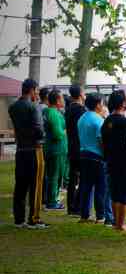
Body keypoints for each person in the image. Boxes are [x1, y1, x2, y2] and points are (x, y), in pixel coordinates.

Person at [9, 78, 47, 229]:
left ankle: (19, 219)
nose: (37, 94)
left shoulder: (13, 107)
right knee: (36, 186)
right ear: (31, 90)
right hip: (34, 149)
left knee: (20, 185)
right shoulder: (33, 107)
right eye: (37, 91)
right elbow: (39, 130)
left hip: (20, 149)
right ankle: (34, 218)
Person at [100, 90, 126, 231]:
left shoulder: (106, 121)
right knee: (125, 192)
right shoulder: (125, 122)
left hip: (110, 160)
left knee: (114, 192)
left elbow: (102, 142)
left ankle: (115, 223)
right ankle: (120, 224)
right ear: (122, 103)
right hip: (125, 161)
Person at [77, 93, 112, 224]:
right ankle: (100, 215)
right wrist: (106, 155)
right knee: (100, 187)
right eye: (102, 103)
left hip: (83, 154)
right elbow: (101, 140)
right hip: (97, 156)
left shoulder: (81, 118)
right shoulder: (99, 120)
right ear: (98, 105)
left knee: (86, 186)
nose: (103, 106)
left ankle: (84, 215)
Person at [43, 90, 68, 210]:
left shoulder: (52, 112)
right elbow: (57, 134)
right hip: (56, 150)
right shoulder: (52, 113)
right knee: (54, 176)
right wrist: (66, 131)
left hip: (57, 149)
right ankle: (52, 202)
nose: (63, 100)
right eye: (62, 98)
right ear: (57, 100)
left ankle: (52, 199)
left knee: (55, 176)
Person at [64, 84, 85, 216]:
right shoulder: (81, 110)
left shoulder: (68, 109)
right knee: (81, 178)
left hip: (71, 145)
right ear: (80, 94)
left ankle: (71, 206)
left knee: (72, 178)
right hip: (79, 146)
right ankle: (77, 206)